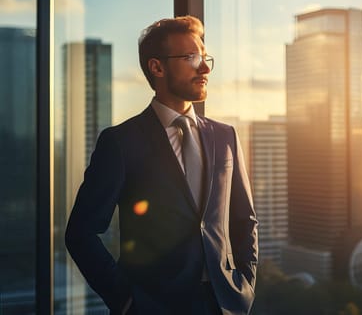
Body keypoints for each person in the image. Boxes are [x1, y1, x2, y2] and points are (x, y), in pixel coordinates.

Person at [65, 16, 258, 315]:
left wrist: (245, 284)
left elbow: (244, 220)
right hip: (154, 306)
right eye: (191, 58)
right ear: (157, 67)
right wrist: (127, 302)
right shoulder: (120, 142)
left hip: (225, 303)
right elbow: (80, 233)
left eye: (205, 57)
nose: (205, 68)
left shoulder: (226, 136)